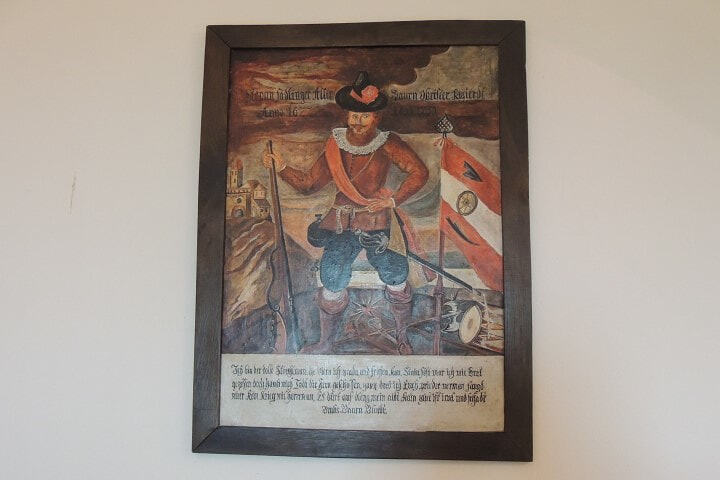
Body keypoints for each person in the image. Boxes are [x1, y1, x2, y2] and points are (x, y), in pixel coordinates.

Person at [263, 71, 429, 354]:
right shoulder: (335, 145)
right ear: (347, 116)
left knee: (395, 272)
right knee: (332, 274)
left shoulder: (388, 142)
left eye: (365, 116)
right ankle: (326, 344)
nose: (358, 121)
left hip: (376, 223)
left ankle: (402, 338)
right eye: (354, 115)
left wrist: (393, 201)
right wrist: (281, 167)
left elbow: (419, 172)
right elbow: (309, 184)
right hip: (339, 225)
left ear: (376, 117)